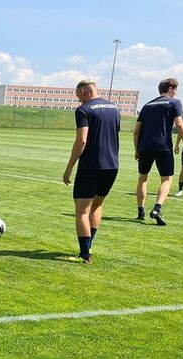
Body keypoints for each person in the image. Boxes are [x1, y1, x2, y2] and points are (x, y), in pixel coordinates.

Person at [61, 80, 120, 264]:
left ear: (85, 91)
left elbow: (82, 140)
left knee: (82, 211)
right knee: (97, 205)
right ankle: (89, 246)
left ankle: (85, 254)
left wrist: (69, 166)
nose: (78, 100)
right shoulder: (114, 108)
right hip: (112, 165)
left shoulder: (84, 110)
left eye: (78, 96)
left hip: (91, 165)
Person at [134, 78, 183, 225]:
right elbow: (179, 124)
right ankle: (157, 208)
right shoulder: (174, 103)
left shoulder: (147, 105)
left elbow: (136, 131)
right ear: (170, 89)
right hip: (163, 145)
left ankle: (141, 211)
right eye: (175, 89)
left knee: (143, 177)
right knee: (166, 178)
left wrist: (136, 149)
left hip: (145, 146)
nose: (176, 93)